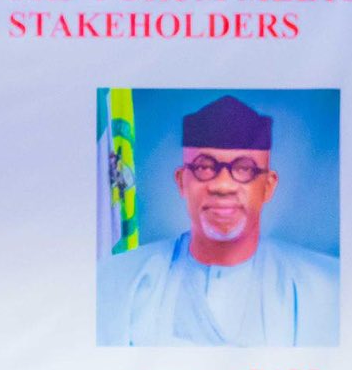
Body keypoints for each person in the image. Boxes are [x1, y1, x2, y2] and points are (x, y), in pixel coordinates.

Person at [98, 94, 339, 348]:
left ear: (268, 186)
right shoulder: (118, 283)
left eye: (244, 169)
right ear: (181, 181)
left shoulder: (326, 290)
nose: (223, 186)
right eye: (204, 167)